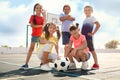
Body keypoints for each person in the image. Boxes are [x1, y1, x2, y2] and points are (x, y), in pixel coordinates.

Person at [20, 3, 46, 70]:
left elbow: (45, 25)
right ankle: (26, 64)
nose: (38, 9)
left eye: (40, 8)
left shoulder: (42, 18)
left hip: (41, 36)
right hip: (34, 35)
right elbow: (32, 25)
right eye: (37, 8)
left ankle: (42, 63)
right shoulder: (33, 16)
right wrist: (40, 26)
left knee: (42, 50)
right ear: (34, 9)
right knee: (31, 49)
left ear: (41, 9)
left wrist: (44, 15)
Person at [81, 5, 100, 70]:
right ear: (84, 11)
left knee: (92, 50)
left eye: (89, 10)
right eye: (86, 10)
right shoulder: (85, 19)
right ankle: (85, 63)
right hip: (83, 38)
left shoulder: (92, 18)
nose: (87, 11)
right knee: (84, 51)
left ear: (91, 11)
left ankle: (96, 64)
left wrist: (93, 33)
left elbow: (98, 25)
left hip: (88, 38)